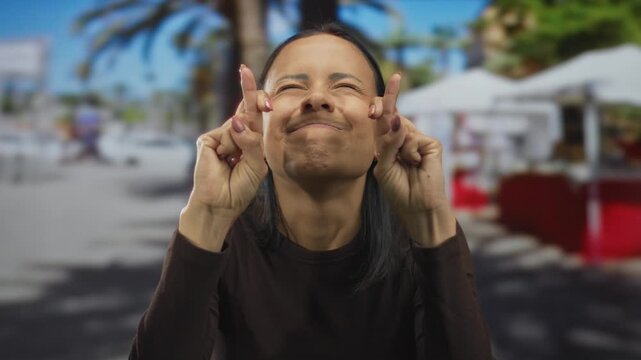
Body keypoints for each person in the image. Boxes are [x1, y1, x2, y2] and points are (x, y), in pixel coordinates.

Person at [129, 24, 493, 360]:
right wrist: (207, 214)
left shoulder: (420, 235)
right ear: (257, 120)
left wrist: (430, 220)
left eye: (346, 86)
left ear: (383, 120)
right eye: (290, 87)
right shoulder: (223, 235)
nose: (317, 98)